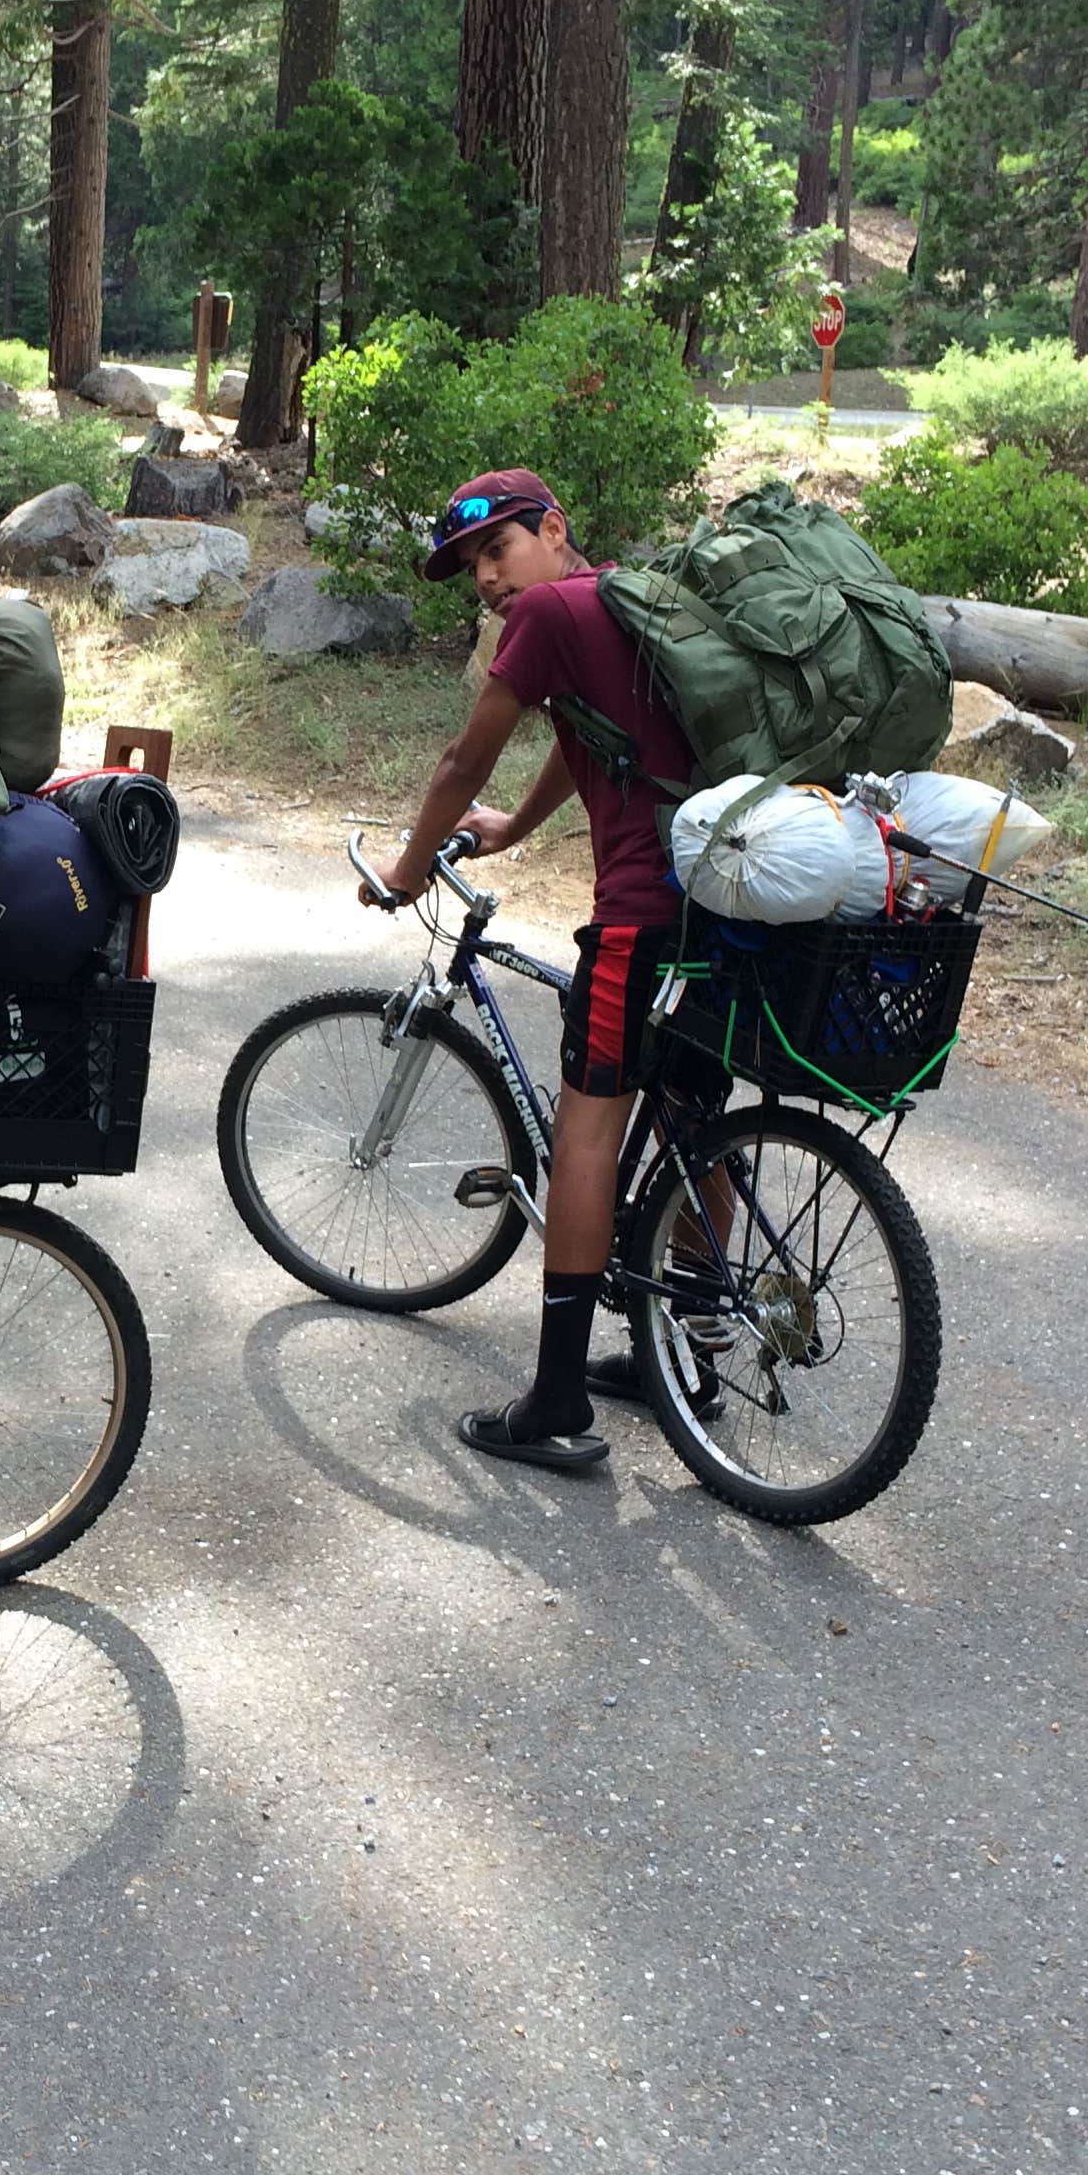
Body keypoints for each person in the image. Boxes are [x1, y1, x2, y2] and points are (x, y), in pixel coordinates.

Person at [371, 468, 705, 1478]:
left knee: (588, 1132)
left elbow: (459, 763)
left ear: (553, 529)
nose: (484, 577)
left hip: (641, 917)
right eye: (472, 565)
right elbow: (592, 736)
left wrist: (403, 867)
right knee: (696, 1121)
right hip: (722, 906)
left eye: (496, 548)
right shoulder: (621, 602)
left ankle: (556, 1401)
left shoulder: (551, 611)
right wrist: (518, 826)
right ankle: (687, 1357)